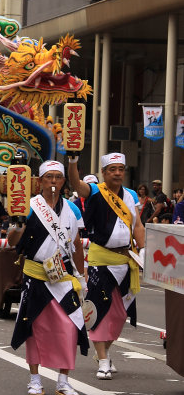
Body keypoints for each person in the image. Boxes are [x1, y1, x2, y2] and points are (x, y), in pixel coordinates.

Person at [8, 160, 88, 395]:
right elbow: (12, 241)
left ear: (64, 181)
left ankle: (63, 381)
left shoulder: (72, 210)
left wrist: (81, 276)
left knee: (70, 326)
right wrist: (19, 225)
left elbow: (75, 244)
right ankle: (34, 379)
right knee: (33, 327)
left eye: (58, 177)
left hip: (62, 277)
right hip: (36, 275)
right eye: (49, 177)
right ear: (40, 181)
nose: (53, 181)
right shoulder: (28, 206)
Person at [68, 152, 145, 380]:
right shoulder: (94, 191)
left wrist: (143, 248)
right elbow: (75, 183)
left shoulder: (130, 196)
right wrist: (73, 161)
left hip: (126, 260)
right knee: (99, 310)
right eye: (113, 169)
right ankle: (102, 360)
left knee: (121, 314)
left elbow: (138, 224)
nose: (118, 173)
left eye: (121, 169)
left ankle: (105, 352)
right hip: (102, 260)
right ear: (104, 172)